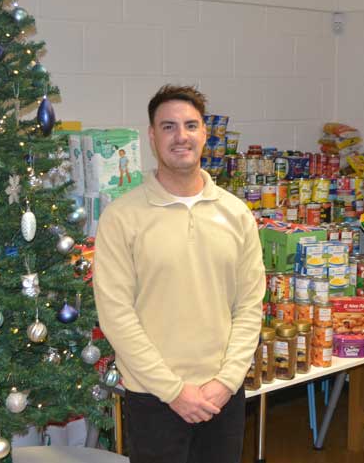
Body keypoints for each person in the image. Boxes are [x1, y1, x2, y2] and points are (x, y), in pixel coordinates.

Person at [93, 84, 266, 463]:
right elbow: (116, 316)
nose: (181, 136)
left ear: (205, 134)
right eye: (168, 126)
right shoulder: (121, 218)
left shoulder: (236, 214)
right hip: (155, 398)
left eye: (190, 125)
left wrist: (226, 381)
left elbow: (250, 305)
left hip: (223, 395)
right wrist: (172, 390)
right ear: (152, 137)